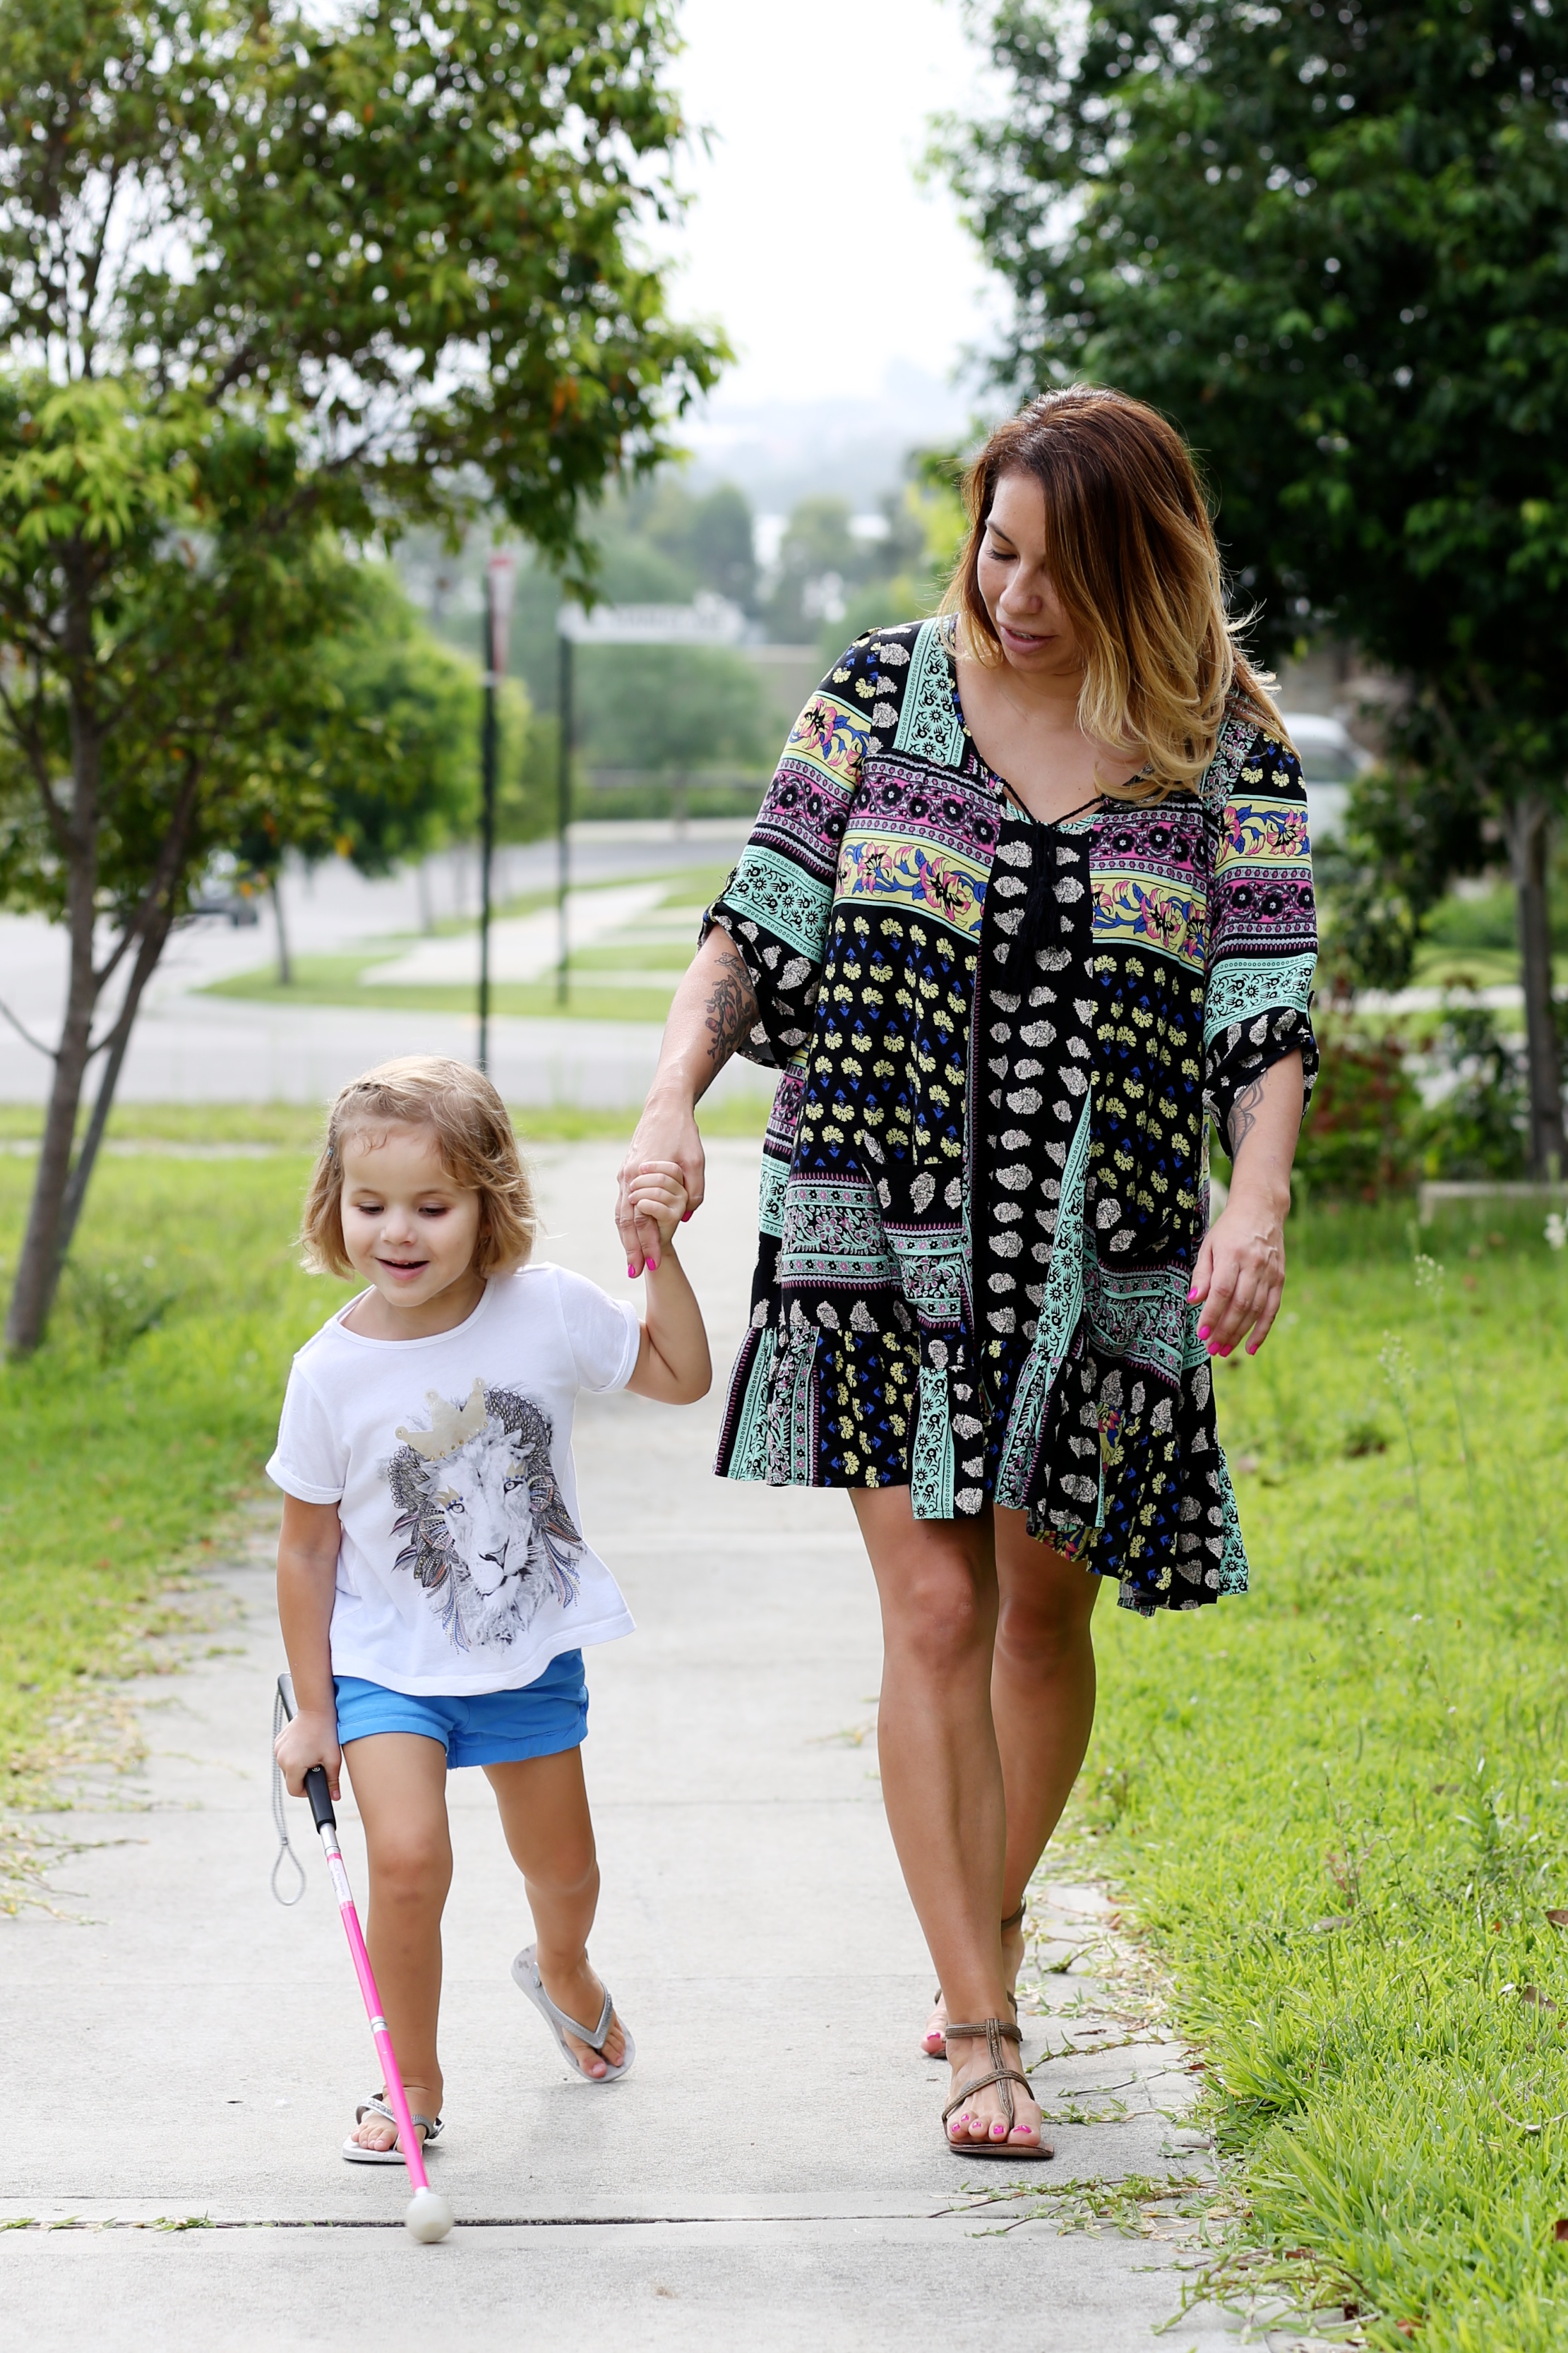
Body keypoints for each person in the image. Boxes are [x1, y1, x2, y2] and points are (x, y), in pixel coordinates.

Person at [615, 389, 1317, 2160]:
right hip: (879, 1214)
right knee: (934, 1609)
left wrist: (1256, 1201)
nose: (1013, 594)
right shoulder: (877, 687)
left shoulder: (1223, 742)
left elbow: (1265, 1001)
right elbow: (753, 917)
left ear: (1141, 572)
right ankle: (983, 2029)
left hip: (1111, 1238)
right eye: (997, 549)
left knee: (1046, 1608)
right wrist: (669, 1105)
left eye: (1058, 570)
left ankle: (972, 1927)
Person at [273, 1055, 710, 2160]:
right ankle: (409, 2081)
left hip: (524, 1656)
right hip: (385, 1665)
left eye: (432, 1204)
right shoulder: (327, 1372)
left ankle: (562, 1965)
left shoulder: (545, 1310)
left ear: (488, 1200)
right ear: (337, 1205)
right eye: (372, 1206)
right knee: (409, 1859)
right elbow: (306, 1547)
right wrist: (314, 1712)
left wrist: (658, 1258)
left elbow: (681, 1372)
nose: (399, 1232)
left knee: (562, 1865)